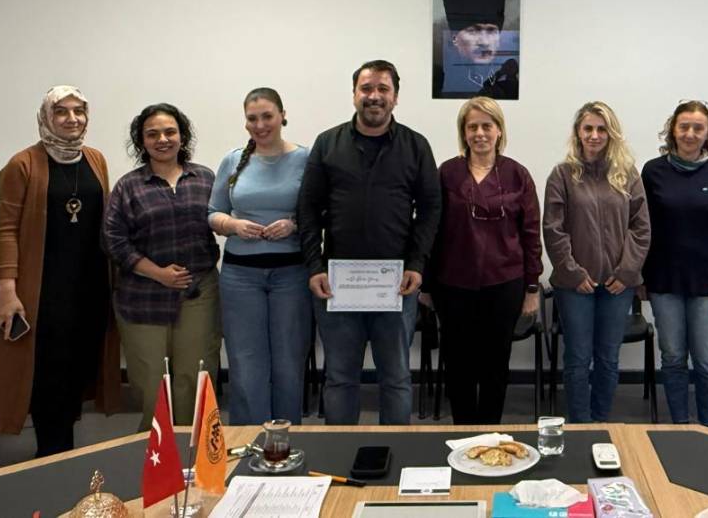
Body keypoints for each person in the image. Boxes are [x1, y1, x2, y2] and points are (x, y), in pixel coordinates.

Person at [298, 60, 442, 425]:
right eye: (366, 89)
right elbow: (308, 209)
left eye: (382, 89)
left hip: (396, 284)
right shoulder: (327, 144)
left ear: (395, 97)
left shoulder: (416, 146)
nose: (374, 96)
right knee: (339, 378)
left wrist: (417, 264)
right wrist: (314, 266)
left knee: (396, 378)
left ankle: (396, 451)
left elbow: (430, 209)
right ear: (354, 95)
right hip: (337, 284)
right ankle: (339, 450)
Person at [0, 86, 122, 457]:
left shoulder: (95, 159)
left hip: (89, 285)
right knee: (49, 374)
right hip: (44, 289)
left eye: (79, 111)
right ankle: (51, 455)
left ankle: (64, 449)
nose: (72, 119)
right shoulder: (22, 164)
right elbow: (6, 231)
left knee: (77, 369)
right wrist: (7, 290)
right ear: (46, 117)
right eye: (61, 111)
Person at [424, 96, 543, 424]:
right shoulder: (447, 173)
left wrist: (532, 288)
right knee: (457, 364)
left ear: (499, 130)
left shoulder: (517, 175)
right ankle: (462, 435)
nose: (479, 133)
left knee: (495, 365)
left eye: (486, 126)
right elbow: (432, 230)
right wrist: (427, 284)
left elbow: (531, 234)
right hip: (453, 285)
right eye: (472, 127)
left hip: (503, 284)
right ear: (463, 132)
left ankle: (490, 434)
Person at [104, 102, 221, 430]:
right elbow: (113, 240)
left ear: (182, 136)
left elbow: (221, 221)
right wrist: (158, 274)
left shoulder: (205, 178)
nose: (162, 139)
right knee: (152, 382)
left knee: (194, 377)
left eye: (170, 132)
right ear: (141, 141)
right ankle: (157, 454)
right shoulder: (129, 186)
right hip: (143, 297)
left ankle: (192, 451)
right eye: (152, 134)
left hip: (198, 293)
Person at [207, 88, 311, 425]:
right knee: (245, 362)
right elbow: (212, 213)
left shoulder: (306, 158)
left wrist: (294, 225)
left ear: (283, 115)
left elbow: (321, 212)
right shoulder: (233, 160)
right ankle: (248, 440)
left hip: (291, 274)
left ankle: (286, 439)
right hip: (240, 276)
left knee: (289, 361)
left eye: (267, 116)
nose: (260, 124)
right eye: (252, 118)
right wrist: (233, 225)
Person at [543, 101, 651, 424]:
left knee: (607, 358)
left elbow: (641, 228)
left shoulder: (627, 175)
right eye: (588, 128)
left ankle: (601, 422)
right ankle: (580, 425)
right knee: (578, 358)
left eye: (601, 129)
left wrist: (627, 272)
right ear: (578, 132)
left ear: (611, 133)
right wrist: (573, 273)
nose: (594, 135)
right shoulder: (562, 175)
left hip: (618, 286)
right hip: (575, 286)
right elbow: (553, 229)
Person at [640, 100, 708, 428]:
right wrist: (640, 276)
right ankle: (680, 426)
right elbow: (643, 228)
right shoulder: (653, 171)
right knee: (673, 358)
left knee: (707, 360)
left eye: (698, 127)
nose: (690, 134)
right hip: (664, 279)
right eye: (684, 127)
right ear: (673, 130)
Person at [432, 0, 520, 100]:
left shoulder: (509, 85)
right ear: (454, 38)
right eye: (473, 31)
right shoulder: (438, 83)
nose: (484, 42)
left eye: (491, 31)